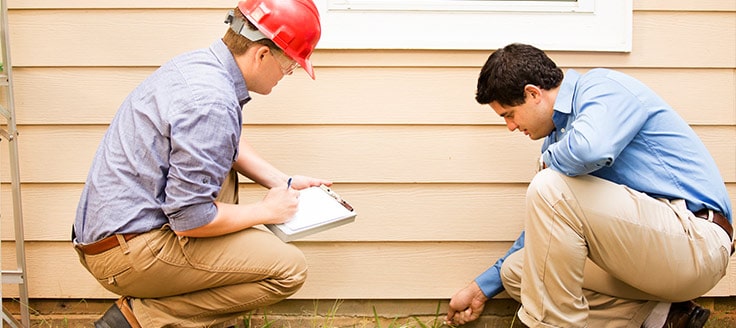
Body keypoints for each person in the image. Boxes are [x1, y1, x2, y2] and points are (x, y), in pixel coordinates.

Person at [72, 1, 328, 327]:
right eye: (289, 65)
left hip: (114, 235)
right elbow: (190, 219)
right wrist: (268, 211)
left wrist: (282, 182)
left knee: (223, 178)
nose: (287, 75)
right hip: (127, 254)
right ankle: (136, 319)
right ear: (262, 54)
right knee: (290, 269)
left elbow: (223, 143)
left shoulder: (201, 67)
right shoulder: (212, 102)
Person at [445, 43, 733, 328]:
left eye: (508, 114)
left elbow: (592, 149)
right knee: (518, 271)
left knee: (549, 187)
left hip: (695, 242)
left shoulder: (601, 88)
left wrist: (547, 163)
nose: (510, 126)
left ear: (532, 93)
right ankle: (660, 316)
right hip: (650, 259)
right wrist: (479, 289)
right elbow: (544, 234)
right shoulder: (557, 144)